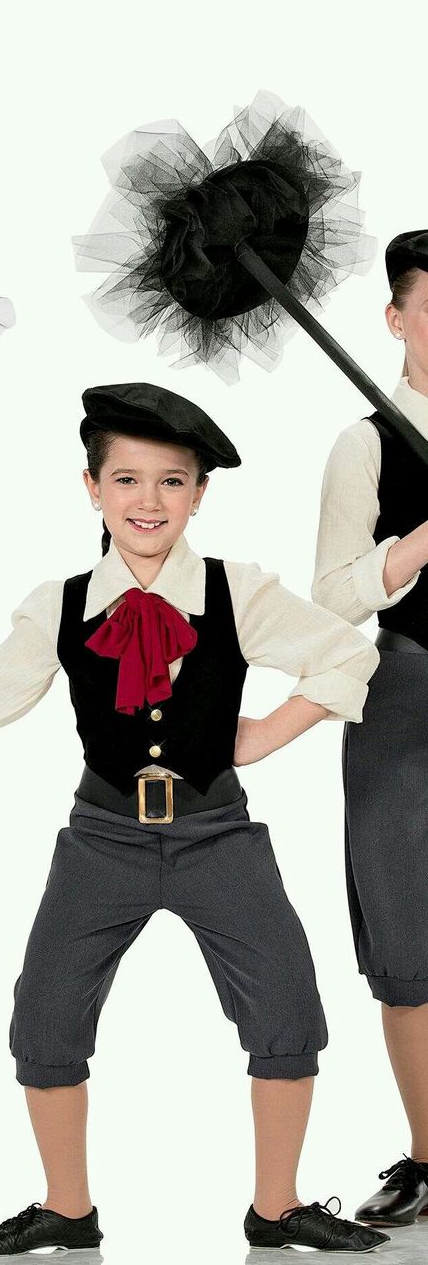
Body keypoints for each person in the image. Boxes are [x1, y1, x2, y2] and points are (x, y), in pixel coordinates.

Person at [0, 381, 387, 1255]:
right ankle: (68, 1209)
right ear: (91, 489)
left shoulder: (240, 591)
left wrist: (268, 734)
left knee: (285, 1003)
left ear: (200, 493)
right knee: (45, 1015)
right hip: (101, 839)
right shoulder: (59, 604)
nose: (149, 500)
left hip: (217, 835)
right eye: (126, 479)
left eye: (172, 481)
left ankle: (275, 1210)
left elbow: (346, 650)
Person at [312, 230, 428, 1229]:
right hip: (407, 695)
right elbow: (331, 599)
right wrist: (417, 546)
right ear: (396, 320)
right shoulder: (366, 442)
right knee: (407, 937)